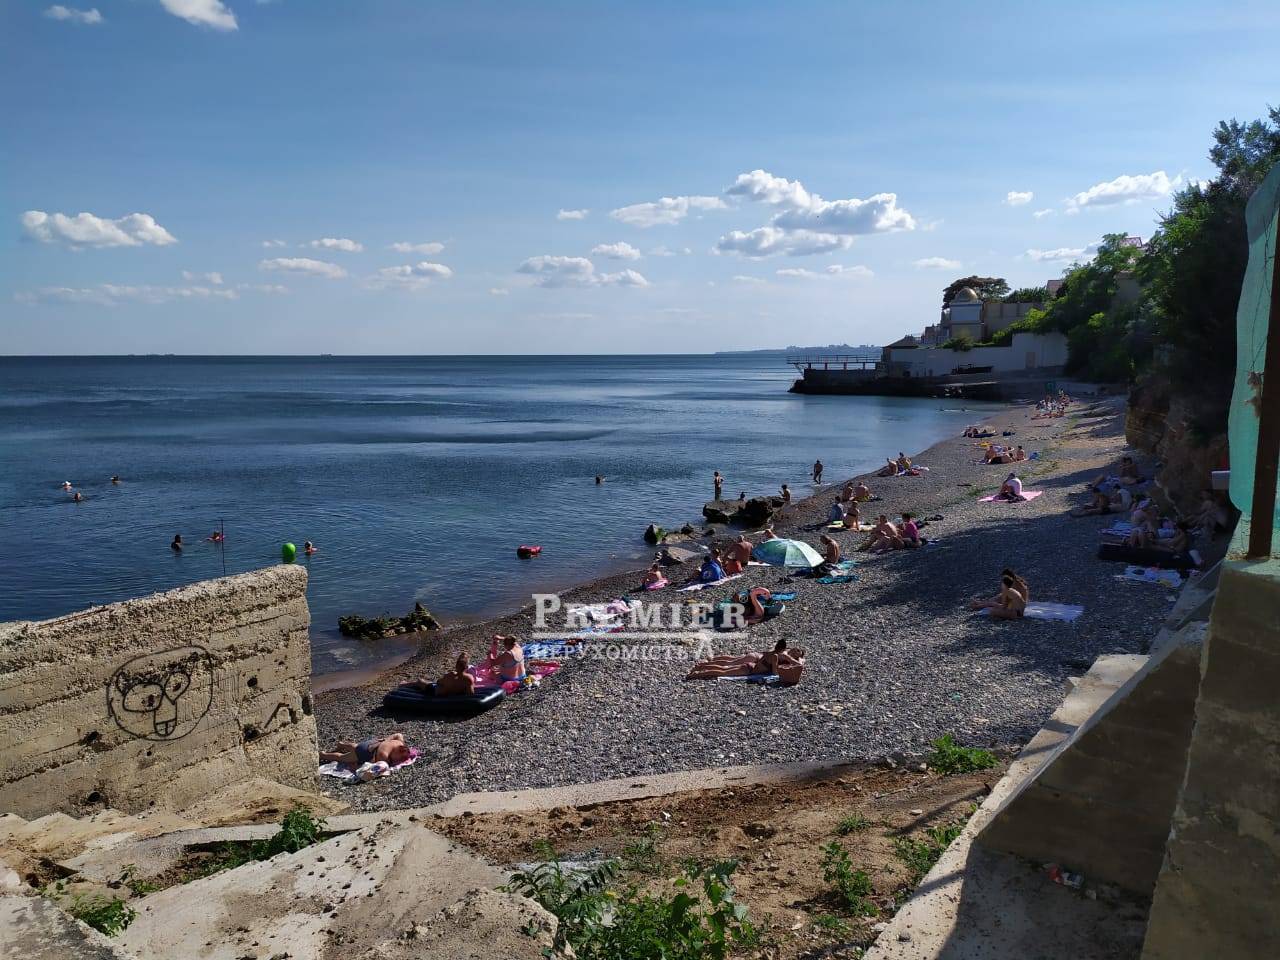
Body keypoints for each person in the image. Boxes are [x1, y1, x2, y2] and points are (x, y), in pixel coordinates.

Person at [685, 639, 805, 684]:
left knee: (726, 666)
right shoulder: (777, 657)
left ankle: (701, 668)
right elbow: (774, 672)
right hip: (749, 669)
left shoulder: (773, 653)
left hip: (751, 665)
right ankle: (697, 673)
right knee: (723, 671)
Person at [320, 732, 410, 767]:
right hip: (364, 752)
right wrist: (356, 766)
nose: (397, 760)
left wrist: (386, 740)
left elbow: (398, 734)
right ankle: (323, 755)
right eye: (398, 758)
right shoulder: (384, 755)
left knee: (356, 747)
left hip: (371, 743)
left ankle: (341, 745)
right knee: (342, 758)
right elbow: (375, 764)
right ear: (397, 751)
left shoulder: (400, 742)